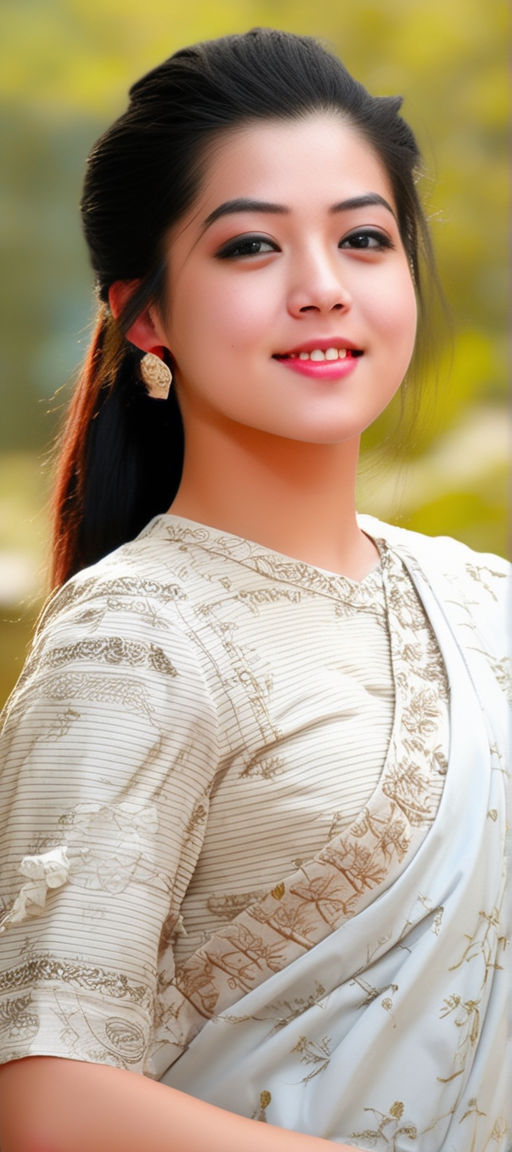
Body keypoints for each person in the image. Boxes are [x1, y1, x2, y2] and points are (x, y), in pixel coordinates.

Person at [0, 27, 509, 1152]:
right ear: (147, 317)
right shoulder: (135, 640)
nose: (322, 289)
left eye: (364, 239)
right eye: (249, 250)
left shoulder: (486, 605)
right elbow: (43, 1099)